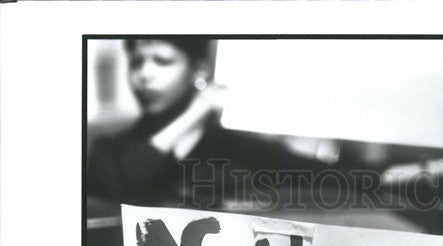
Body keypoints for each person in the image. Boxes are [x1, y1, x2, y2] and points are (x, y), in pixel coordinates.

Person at [86, 37, 325, 210]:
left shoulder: (235, 148)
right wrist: (196, 113)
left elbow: (321, 176)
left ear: (199, 70)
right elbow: (125, 181)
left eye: (162, 61)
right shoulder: (110, 148)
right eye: (136, 62)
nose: (145, 74)